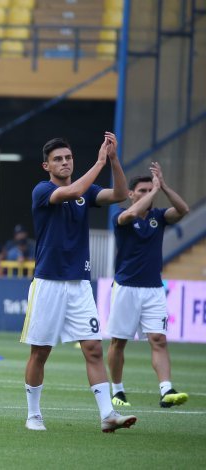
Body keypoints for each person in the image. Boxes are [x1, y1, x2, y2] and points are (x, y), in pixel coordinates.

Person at [21, 133, 137, 433]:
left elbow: (122, 194)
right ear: (46, 165)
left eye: (68, 157)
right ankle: (33, 414)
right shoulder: (42, 190)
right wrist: (99, 161)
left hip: (80, 283)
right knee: (40, 352)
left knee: (93, 348)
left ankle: (108, 415)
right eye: (58, 159)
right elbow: (72, 191)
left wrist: (113, 160)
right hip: (48, 283)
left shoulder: (87, 190)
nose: (64, 162)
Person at [107, 163, 189, 408]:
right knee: (118, 342)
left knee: (159, 339)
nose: (146, 194)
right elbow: (130, 215)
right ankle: (117, 390)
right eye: (141, 191)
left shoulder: (159, 217)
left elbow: (183, 209)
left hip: (153, 289)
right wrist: (154, 192)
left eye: (148, 190)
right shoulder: (120, 214)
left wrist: (162, 186)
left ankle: (166, 390)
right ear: (131, 194)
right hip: (126, 288)